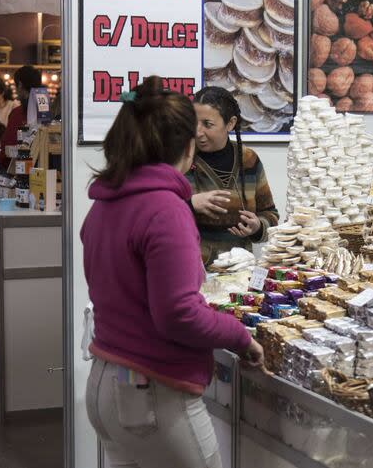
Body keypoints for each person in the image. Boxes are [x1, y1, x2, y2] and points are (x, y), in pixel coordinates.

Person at [81, 76, 267, 468]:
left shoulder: (107, 202)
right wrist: (240, 337)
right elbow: (178, 313)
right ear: (185, 147)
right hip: (152, 393)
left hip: (106, 381)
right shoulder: (165, 209)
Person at [188, 86, 279, 264]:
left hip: (239, 273)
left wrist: (258, 227)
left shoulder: (249, 160)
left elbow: (271, 215)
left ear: (230, 123)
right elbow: (159, 212)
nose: (198, 132)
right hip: (193, 271)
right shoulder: (182, 158)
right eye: (194, 122)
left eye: (207, 124)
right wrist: (191, 204)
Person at [0, 65, 42, 170]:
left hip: (21, 172)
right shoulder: (47, 111)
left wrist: (0, 160)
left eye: (15, 85)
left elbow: (8, 147)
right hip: (44, 171)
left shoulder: (18, 113)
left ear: (20, 85)